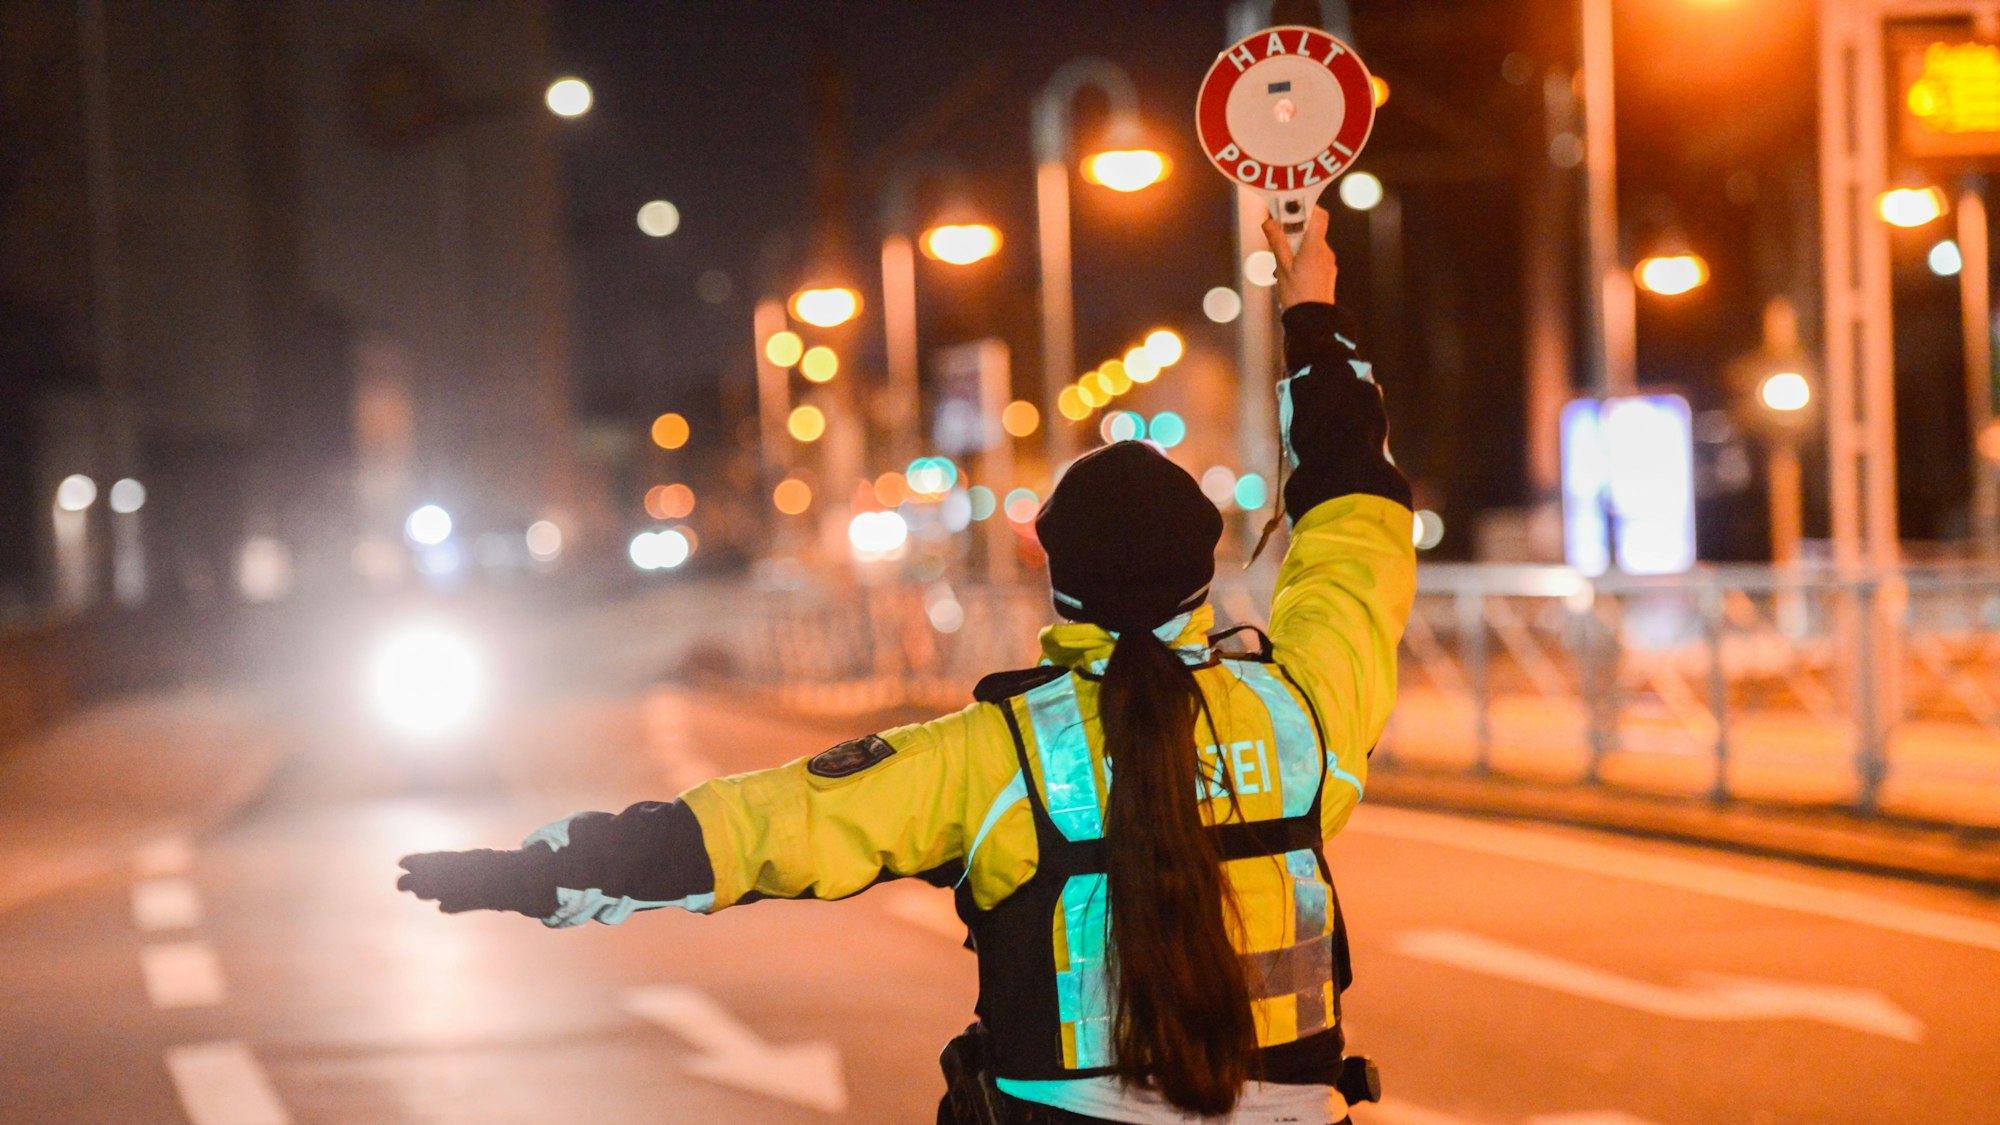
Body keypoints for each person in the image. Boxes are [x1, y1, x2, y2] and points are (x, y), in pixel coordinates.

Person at [397, 207, 1414, 1125]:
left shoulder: (998, 757)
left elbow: (770, 825)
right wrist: (1311, 309)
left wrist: (544, 871)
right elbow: (1353, 524)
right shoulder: (1299, 717)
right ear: (1203, 572)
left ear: (1056, 586)